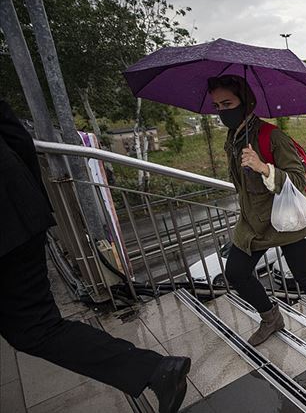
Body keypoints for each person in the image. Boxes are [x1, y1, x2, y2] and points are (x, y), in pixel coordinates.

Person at [0, 99, 190, 413]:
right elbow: (15, 134)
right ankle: (154, 370)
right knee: (36, 327)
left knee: (34, 328)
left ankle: (155, 370)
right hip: (17, 210)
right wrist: (31, 196)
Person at [208, 75, 306, 349]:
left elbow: (299, 182)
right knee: (236, 272)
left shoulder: (273, 137)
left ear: (246, 101)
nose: (222, 111)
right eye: (217, 106)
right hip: (253, 223)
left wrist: (264, 168)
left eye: (228, 103)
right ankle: (271, 317)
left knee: (304, 276)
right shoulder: (233, 139)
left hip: (287, 221)